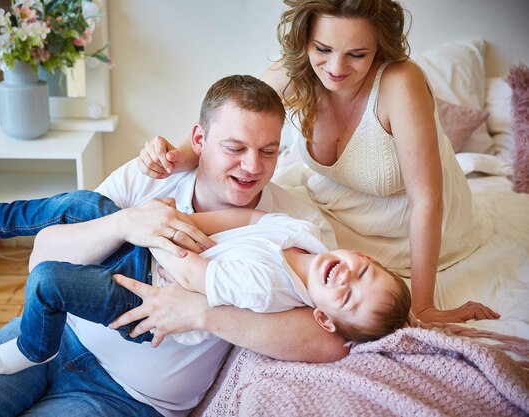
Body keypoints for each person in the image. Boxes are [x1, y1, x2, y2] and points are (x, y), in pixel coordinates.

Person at [0, 75, 349, 417]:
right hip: (54, 333)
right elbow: (43, 259)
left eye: (269, 152)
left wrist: (202, 313)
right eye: (235, 147)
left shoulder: (292, 226)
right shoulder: (151, 177)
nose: (252, 167)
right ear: (199, 140)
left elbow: (328, 341)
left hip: (126, 398)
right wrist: (125, 223)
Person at [135, 0, 500, 325]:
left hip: (410, 228)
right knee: (250, 220)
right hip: (332, 211)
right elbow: (231, 120)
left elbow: (427, 201)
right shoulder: (294, 71)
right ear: (304, 39)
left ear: (379, 49)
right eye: (323, 49)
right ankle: (152, 239)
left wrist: (422, 306)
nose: (336, 68)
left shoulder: (400, 83)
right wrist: (175, 155)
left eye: (357, 54)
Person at [0, 186, 411, 375]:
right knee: (87, 203)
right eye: (363, 271)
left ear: (325, 319)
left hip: (145, 298)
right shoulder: (305, 234)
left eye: (346, 298)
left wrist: (153, 225)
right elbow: (247, 218)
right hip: (152, 257)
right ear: (364, 255)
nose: (345, 277)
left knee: (47, 281)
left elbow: (190, 273)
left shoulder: (266, 286)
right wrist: (175, 218)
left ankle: (33, 346)